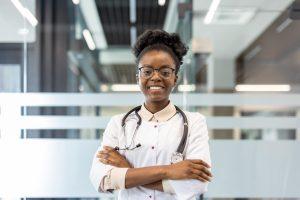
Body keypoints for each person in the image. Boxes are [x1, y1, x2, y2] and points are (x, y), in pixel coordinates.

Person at [89, 29, 212, 200]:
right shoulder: (118, 124)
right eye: (147, 71)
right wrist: (169, 171)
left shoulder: (194, 122)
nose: (155, 77)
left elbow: (197, 183)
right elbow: (102, 179)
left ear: (175, 78)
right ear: (138, 77)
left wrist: (128, 170)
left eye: (165, 72)